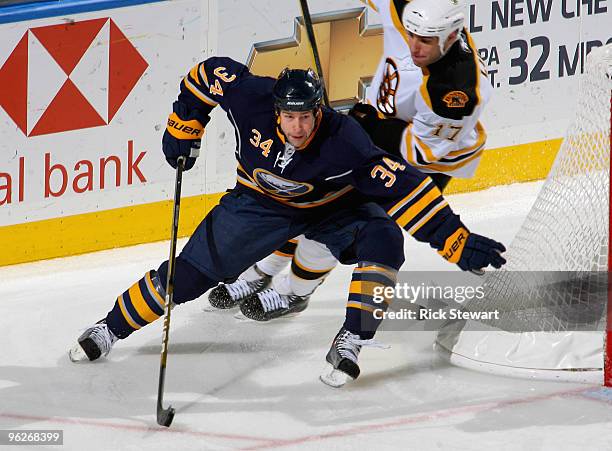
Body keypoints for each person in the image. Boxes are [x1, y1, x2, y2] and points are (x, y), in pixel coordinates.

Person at [69, 55, 505, 386]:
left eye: (306, 116)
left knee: (385, 239)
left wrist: (454, 238)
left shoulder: (346, 141)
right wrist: (184, 126)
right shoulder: (250, 97)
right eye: (289, 116)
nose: (297, 128)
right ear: (276, 110)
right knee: (186, 278)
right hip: (257, 206)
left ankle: (354, 337)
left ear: (319, 110)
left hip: (335, 209)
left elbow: (406, 188)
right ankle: (109, 327)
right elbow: (207, 74)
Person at [210, 0, 493, 322]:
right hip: (371, 130)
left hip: (422, 162)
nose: (414, 45)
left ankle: (294, 292)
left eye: (425, 41)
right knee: (303, 193)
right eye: (411, 35)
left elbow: (421, 152)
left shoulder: (455, 91)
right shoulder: (407, 9)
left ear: (452, 35)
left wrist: (363, 128)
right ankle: (262, 271)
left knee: (337, 221)